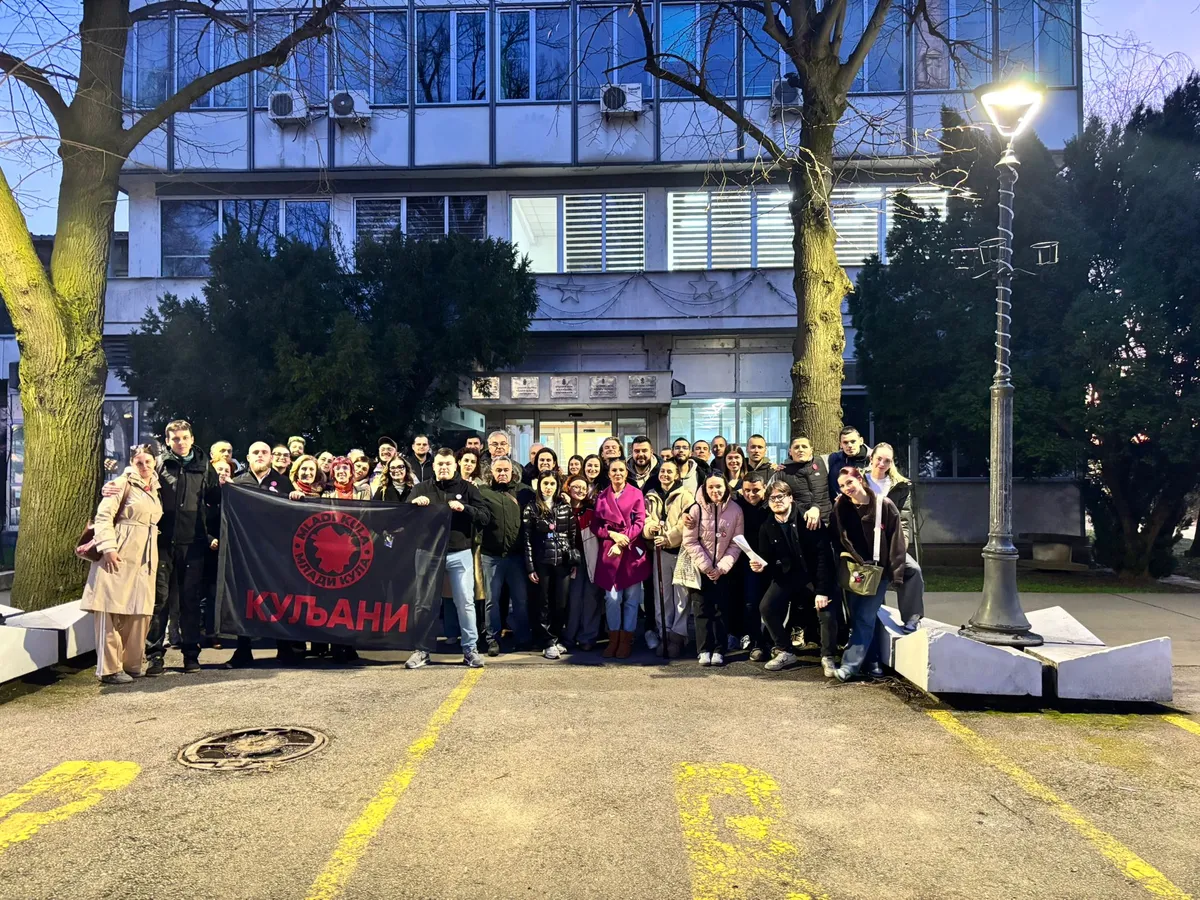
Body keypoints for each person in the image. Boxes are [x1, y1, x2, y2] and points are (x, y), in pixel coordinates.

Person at [82, 444, 163, 684]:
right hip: (120, 551)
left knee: (140, 611)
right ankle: (109, 669)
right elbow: (103, 516)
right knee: (109, 610)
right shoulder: (120, 484)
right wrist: (108, 547)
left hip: (145, 556)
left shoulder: (155, 486)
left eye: (148, 462)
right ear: (131, 463)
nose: (144, 466)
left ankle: (132, 663)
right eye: (139, 462)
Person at [407, 449, 491, 669]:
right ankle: (422, 650)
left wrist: (465, 508)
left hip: (459, 552)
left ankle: (470, 649)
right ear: (433, 466)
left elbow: (485, 517)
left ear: (455, 466)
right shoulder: (420, 489)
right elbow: (404, 519)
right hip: (428, 552)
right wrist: (414, 506)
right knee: (424, 603)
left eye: (448, 464)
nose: (443, 468)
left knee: (465, 602)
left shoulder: (468, 488)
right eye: (440, 464)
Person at [751, 481, 838, 674]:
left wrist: (822, 591)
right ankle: (785, 650)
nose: (776, 501)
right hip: (788, 576)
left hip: (813, 576)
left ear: (790, 497)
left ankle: (828, 656)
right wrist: (760, 566)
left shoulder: (809, 520)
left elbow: (824, 558)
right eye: (772, 498)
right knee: (766, 607)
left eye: (780, 496)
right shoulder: (767, 526)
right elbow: (767, 559)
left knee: (826, 611)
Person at [830, 466, 906, 682]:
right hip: (852, 571)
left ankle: (849, 665)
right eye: (842, 486)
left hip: (877, 572)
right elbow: (835, 537)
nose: (847, 488)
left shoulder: (884, 505)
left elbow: (897, 541)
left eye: (850, 482)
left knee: (865, 616)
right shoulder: (840, 507)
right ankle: (873, 662)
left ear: (860, 479)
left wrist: (896, 574)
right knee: (858, 618)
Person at [224, 442, 295, 668]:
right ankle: (243, 650)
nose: (260, 455)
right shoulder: (237, 483)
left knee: (279, 597)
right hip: (246, 550)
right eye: (256, 452)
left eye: (265, 452)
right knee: (245, 599)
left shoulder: (284, 482)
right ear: (248, 457)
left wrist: (296, 497)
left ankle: (284, 648)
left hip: (275, 551)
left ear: (271, 457)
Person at [681, 473, 743, 667]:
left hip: (724, 570)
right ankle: (704, 649)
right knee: (701, 610)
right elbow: (690, 541)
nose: (715, 491)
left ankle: (719, 649)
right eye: (711, 487)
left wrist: (722, 567)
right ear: (705, 489)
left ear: (726, 488)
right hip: (701, 569)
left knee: (721, 610)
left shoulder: (736, 510)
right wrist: (707, 566)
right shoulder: (696, 509)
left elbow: (736, 542)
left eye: (719, 487)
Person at [592, 458, 649, 659]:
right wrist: (612, 535)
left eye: (621, 470)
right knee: (612, 598)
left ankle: (626, 640)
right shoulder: (601, 496)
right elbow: (595, 525)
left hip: (631, 549)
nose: (617, 473)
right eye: (614, 470)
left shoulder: (636, 493)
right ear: (608, 474)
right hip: (610, 551)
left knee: (632, 599)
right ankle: (613, 638)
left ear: (626, 473)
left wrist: (623, 540)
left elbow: (640, 521)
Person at [867, 443, 925, 632]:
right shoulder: (859, 480)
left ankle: (912, 617)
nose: (882, 464)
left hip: (889, 543)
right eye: (879, 459)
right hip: (864, 543)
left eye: (887, 461)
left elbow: (904, 520)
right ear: (871, 459)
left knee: (912, 570)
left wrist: (902, 545)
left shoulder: (900, 486)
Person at [478, 457, 533, 656]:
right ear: (492, 472)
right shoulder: (483, 492)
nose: (502, 473)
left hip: (517, 556)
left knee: (521, 600)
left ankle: (523, 638)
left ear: (512, 471)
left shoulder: (524, 492)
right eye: (498, 470)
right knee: (492, 601)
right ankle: (492, 639)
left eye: (505, 470)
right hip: (491, 556)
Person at [523, 471, 579, 659]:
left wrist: (572, 559)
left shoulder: (564, 506)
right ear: (539, 485)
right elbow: (527, 540)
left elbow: (571, 534)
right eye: (545, 483)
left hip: (562, 562)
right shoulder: (531, 508)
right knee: (543, 603)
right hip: (542, 562)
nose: (548, 487)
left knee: (561, 602)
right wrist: (530, 566)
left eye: (552, 484)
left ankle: (556, 637)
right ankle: (547, 641)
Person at [642, 459, 693, 658]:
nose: (665, 474)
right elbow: (646, 518)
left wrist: (668, 537)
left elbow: (685, 523)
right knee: (662, 594)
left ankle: (678, 635)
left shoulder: (685, 496)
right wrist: (650, 529)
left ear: (677, 475)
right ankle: (664, 632)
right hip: (659, 551)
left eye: (669, 472)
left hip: (680, 551)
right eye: (662, 471)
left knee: (681, 595)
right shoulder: (651, 495)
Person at [734, 473, 771, 660]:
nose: (751, 494)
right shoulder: (737, 504)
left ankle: (773, 640)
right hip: (748, 561)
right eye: (747, 490)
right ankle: (756, 642)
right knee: (751, 603)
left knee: (773, 604)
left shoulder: (771, 505)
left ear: (764, 488)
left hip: (772, 561)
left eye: (756, 490)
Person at [564, 474, 602, 651]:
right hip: (569, 560)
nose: (580, 490)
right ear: (568, 488)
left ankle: (588, 637)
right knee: (573, 599)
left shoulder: (591, 512)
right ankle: (569, 637)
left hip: (590, 558)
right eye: (576, 487)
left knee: (591, 598)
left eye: (583, 488)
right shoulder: (561, 509)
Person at [781, 435, 832, 527]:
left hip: (828, 521)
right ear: (790, 451)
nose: (800, 450)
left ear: (811, 450)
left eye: (804, 447)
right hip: (802, 524)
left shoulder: (822, 462)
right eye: (796, 447)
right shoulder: (782, 472)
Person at [827, 426, 871, 497]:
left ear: (861, 441)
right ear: (841, 445)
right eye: (845, 442)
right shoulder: (834, 459)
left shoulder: (874, 459)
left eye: (853, 441)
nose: (849, 445)